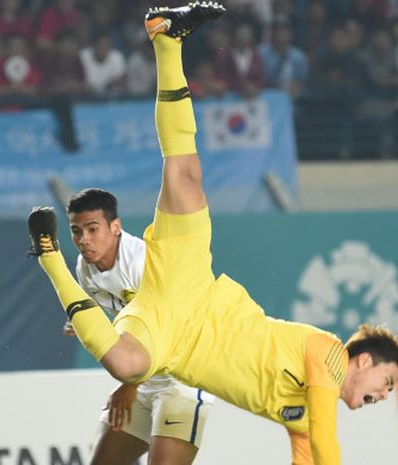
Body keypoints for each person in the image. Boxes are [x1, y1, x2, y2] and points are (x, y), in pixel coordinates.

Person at [27, 3, 398, 464]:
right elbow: (327, 443)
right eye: (388, 382)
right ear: (364, 361)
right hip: (189, 287)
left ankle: (48, 257)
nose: (385, 396)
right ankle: (167, 39)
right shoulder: (329, 357)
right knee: (184, 173)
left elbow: (311, 454)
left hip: (174, 347)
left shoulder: (302, 413)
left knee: (126, 364)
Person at [65, 188, 214, 465]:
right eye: (76, 231)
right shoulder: (85, 269)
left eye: (92, 229)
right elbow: (121, 323)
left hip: (181, 378)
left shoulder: (143, 262)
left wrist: (130, 385)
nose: (83, 240)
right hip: (143, 379)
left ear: (115, 227)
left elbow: (169, 331)